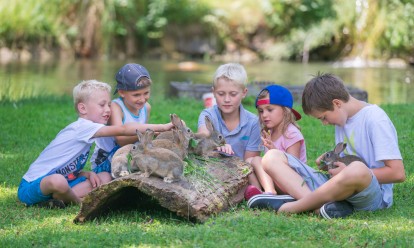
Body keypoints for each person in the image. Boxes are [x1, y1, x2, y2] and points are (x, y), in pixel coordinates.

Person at [247, 73, 405, 219]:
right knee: (270, 158)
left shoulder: (375, 119)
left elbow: (397, 173)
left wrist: (347, 172)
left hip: (371, 193)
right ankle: (319, 206)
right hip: (339, 187)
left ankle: (292, 206)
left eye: (324, 117)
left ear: (337, 103)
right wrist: (330, 165)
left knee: (357, 169)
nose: (324, 123)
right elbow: (345, 162)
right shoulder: (343, 118)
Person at [17, 80, 173, 209]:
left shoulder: (88, 130)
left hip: (66, 180)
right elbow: (124, 129)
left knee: (104, 177)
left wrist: (84, 174)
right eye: (102, 105)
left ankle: (59, 198)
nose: (108, 110)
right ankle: (78, 201)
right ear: (82, 108)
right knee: (57, 180)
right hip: (33, 185)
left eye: (109, 105)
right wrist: (162, 127)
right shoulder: (82, 127)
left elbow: (66, 166)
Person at [90, 63, 168, 174]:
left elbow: (140, 138)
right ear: (122, 92)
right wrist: (149, 134)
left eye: (146, 93)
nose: (142, 99)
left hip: (130, 153)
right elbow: (120, 140)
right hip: (106, 160)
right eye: (136, 95)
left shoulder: (146, 108)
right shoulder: (116, 107)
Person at [244, 85, 306, 200]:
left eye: (270, 109)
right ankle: (258, 193)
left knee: (257, 159)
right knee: (249, 161)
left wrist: (273, 151)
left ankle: (269, 192)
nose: (264, 115)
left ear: (285, 111)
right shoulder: (269, 132)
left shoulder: (291, 133)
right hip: (278, 180)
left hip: (293, 183)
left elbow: (294, 168)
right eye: (261, 111)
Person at [196, 63, 261, 160]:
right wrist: (217, 145)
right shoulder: (208, 115)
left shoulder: (254, 123)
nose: (227, 99)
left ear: (244, 93)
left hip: (242, 172)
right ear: (213, 92)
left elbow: (251, 162)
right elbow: (203, 136)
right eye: (221, 94)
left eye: (233, 94)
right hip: (210, 170)